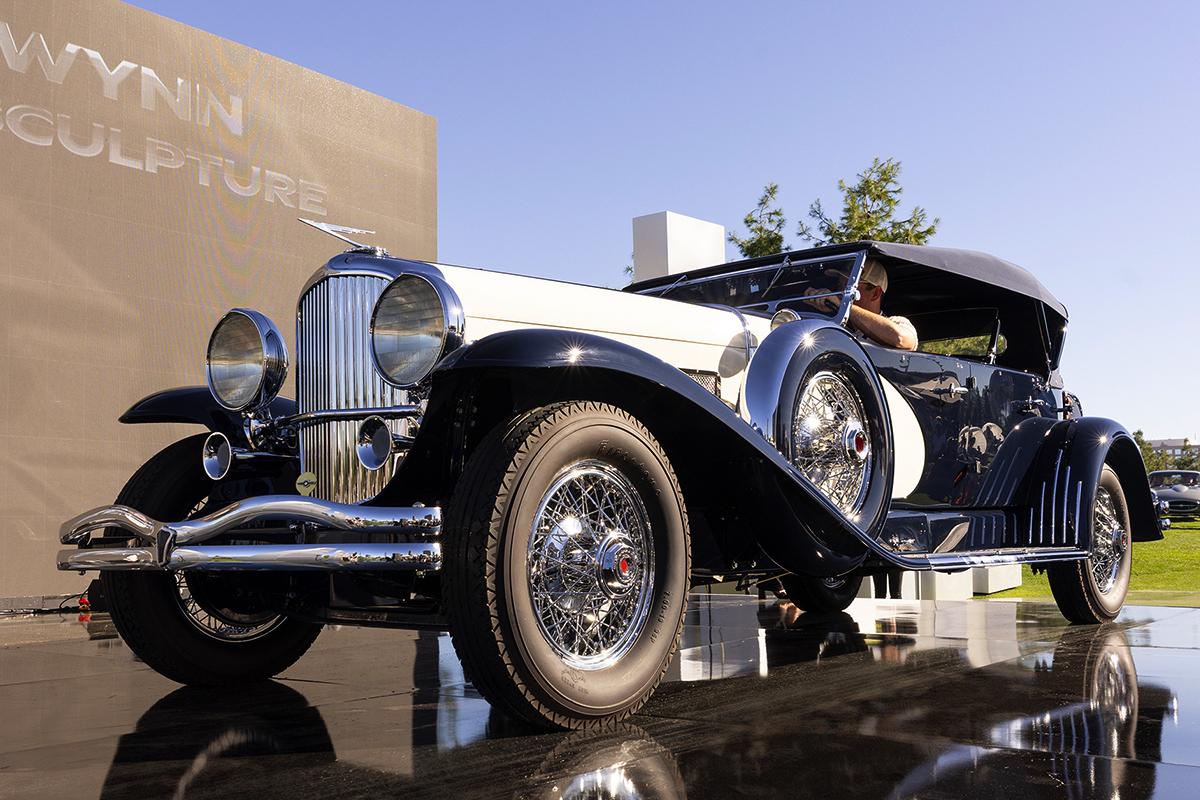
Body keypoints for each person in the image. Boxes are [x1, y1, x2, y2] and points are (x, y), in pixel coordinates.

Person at [805, 258, 918, 351]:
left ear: (875, 293)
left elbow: (900, 339)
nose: (840, 291)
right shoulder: (835, 324)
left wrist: (843, 306)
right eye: (840, 285)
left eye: (849, 286)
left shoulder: (897, 322)